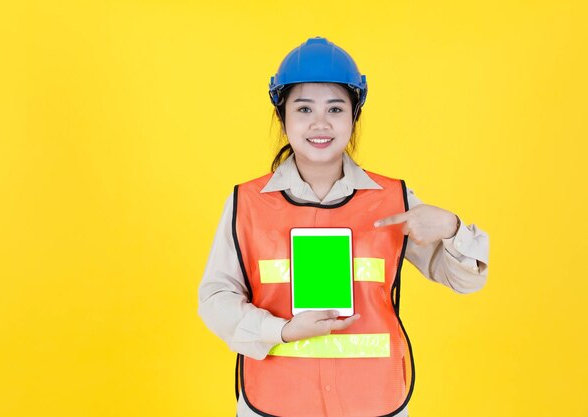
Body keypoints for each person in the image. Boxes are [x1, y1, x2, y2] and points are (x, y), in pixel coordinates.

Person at [198, 36, 489, 417]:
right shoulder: (246, 203)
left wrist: (452, 228)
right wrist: (281, 331)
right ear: (283, 118)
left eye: (335, 108)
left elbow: (467, 281)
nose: (320, 123)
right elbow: (215, 299)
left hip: (373, 399)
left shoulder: (394, 200)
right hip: (275, 398)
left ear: (354, 117)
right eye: (304, 108)